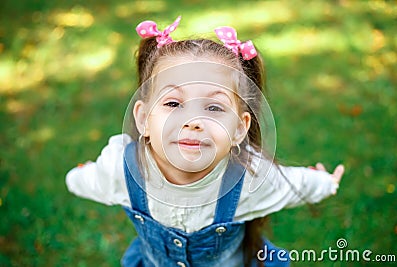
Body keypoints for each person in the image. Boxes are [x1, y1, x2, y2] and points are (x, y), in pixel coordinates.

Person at [66, 16, 344, 267]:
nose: (193, 121)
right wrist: (76, 176)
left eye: (213, 108)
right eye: (173, 103)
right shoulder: (121, 168)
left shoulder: (248, 178)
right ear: (143, 119)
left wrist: (324, 182)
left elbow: (293, 185)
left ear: (238, 129)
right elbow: (87, 179)